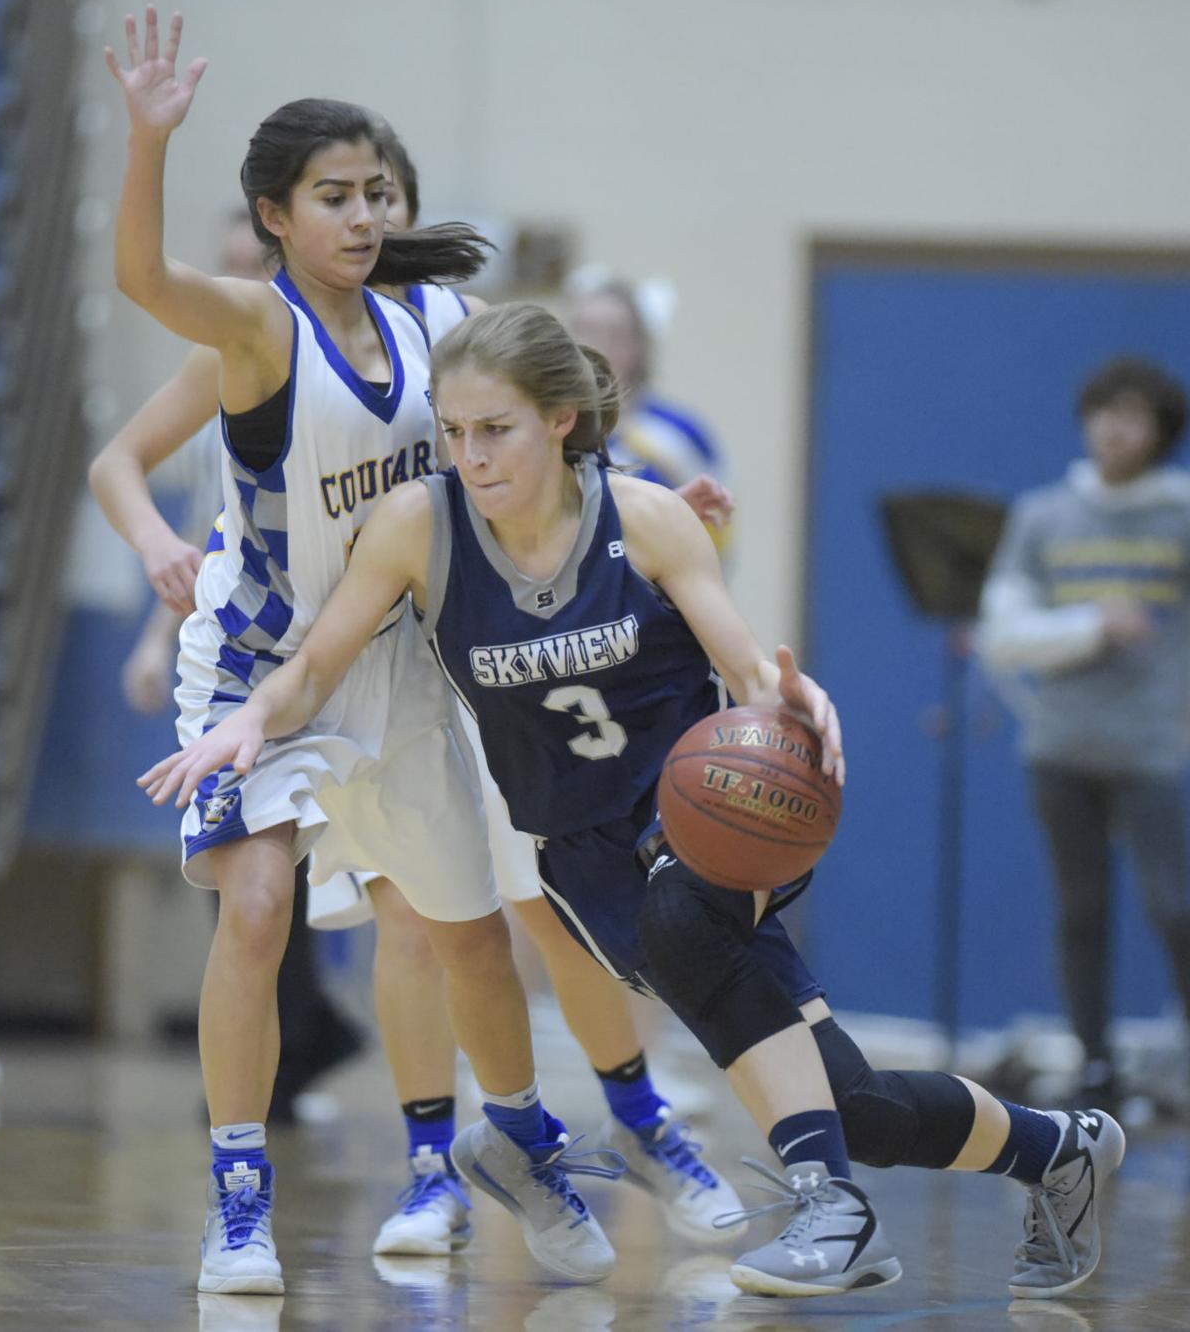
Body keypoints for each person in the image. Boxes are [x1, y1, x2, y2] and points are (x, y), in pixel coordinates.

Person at [143, 302, 1127, 1302]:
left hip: (705, 818)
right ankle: (1061, 1148)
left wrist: (788, 700)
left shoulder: (644, 515)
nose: (471, 455)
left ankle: (832, 1212)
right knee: (853, 1101)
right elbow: (314, 666)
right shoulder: (419, 528)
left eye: (497, 430)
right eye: (454, 431)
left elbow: (746, 666)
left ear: (561, 419)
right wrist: (251, 720)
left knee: (686, 920)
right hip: (580, 856)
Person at [106, 7, 615, 1296]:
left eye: (378, 192)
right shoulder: (256, 330)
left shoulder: (439, 316)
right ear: (276, 214)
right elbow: (141, 284)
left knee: (467, 934)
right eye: (333, 195)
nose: (363, 214)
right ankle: (237, 1199)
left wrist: (641, 500)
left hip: (394, 667)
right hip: (258, 672)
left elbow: (549, 395)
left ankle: (506, 1151)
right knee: (262, 906)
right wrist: (149, 143)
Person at [95, 210, 362, 1122]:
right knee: (254, 884)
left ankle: (444, 1126)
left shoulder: (372, 355)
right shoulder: (217, 375)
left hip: (375, 648)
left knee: (424, 907)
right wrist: (149, 637)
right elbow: (209, 539)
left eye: (249, 263)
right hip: (256, 657)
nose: (235, 281)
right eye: (224, 265)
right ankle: (252, 1128)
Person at [979, 354, 1190, 1114]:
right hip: (1060, 744)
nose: (1114, 427)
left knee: (1174, 904)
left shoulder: (1179, 512)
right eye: (1105, 411)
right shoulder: (1043, 515)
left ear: (1160, 431)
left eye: (1133, 415)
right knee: (1081, 909)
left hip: (1149, 746)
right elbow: (1004, 635)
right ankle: (1095, 1064)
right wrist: (1093, 624)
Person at [566, 276, 731, 550]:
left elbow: (717, 529)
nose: (598, 346)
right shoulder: (544, 425)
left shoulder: (680, 431)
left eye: (616, 335)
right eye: (587, 330)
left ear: (640, 346)